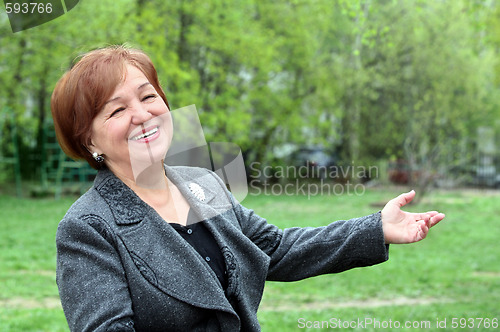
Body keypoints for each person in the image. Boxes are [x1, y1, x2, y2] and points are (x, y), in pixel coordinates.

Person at [51, 45, 445, 332]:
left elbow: (275, 249)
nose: (141, 115)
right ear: (90, 141)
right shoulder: (88, 227)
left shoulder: (201, 184)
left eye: (148, 96)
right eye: (117, 110)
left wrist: (376, 228)